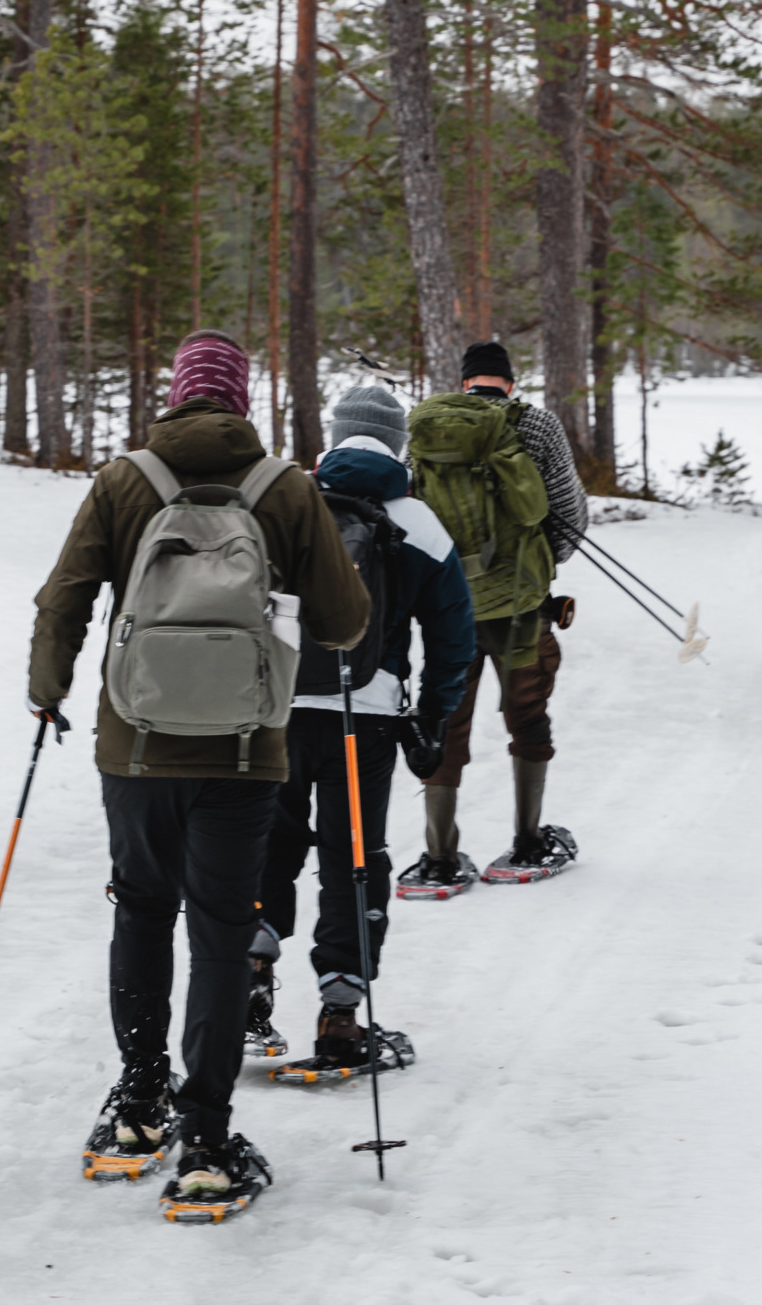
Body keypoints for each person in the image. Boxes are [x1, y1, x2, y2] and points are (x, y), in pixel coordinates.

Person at [28, 328, 370, 1218]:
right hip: (247, 750)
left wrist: (47, 690)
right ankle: (209, 1140)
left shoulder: (123, 480)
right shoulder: (286, 487)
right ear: (241, 402)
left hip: (134, 745)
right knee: (222, 927)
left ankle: (140, 1105)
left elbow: (66, 593)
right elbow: (343, 622)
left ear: (175, 394)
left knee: (142, 906)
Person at [253, 382, 475, 1066]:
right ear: (398, 444)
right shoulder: (419, 522)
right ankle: (341, 1014)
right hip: (367, 715)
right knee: (353, 857)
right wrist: (434, 716)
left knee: (271, 846)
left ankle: (246, 983)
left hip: (281, 707)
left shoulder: (287, 505)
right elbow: (454, 636)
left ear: (336, 434)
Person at [397, 338, 589, 895]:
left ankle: (438, 857)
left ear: (464, 382)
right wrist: (535, 566)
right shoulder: (536, 426)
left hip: (448, 607)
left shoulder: (426, 428)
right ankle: (528, 841)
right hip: (523, 608)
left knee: (445, 720)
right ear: (509, 380)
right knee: (527, 715)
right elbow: (569, 514)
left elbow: (411, 510)